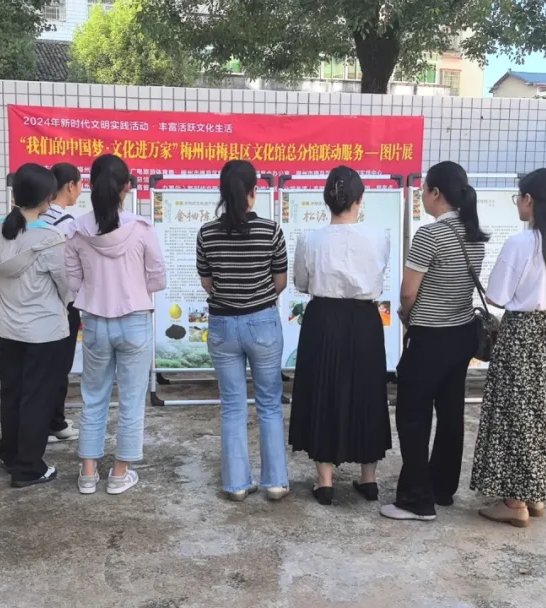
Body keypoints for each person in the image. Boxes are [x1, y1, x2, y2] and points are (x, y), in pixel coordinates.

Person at [470, 168, 546, 527]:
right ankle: (535, 494)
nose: (518, 202)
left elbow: (497, 296)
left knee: (514, 413)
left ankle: (513, 502)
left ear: (529, 199)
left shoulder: (520, 243)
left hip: (521, 332)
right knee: (543, 413)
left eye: (518, 196)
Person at [380, 161, 488, 522]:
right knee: (451, 413)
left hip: (429, 337)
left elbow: (408, 292)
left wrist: (405, 315)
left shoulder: (430, 235)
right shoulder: (474, 234)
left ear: (436, 193)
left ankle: (416, 500)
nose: (422, 195)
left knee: (413, 417)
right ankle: (442, 488)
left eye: (425, 189)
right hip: (461, 334)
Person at [289, 166, 392, 506]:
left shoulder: (310, 239)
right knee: (367, 389)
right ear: (360, 200)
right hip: (364, 318)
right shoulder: (379, 237)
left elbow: (301, 283)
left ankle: (325, 481)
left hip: (323, 317)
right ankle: (369, 478)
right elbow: (380, 274)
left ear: (326, 200)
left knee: (323, 389)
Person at [65, 154, 166, 496]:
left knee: (93, 396)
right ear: (126, 187)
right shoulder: (142, 229)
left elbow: (72, 280)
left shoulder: (76, 230)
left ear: (91, 186)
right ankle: (120, 473)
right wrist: (133, 286)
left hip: (94, 321)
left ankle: (88, 472)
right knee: (132, 399)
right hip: (135, 319)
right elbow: (158, 278)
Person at [196, 160, 290, 501]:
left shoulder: (206, 233)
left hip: (222, 324)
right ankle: (275, 482)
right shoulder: (271, 230)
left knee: (232, 405)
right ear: (254, 191)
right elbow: (280, 281)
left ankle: (236, 484)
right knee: (269, 403)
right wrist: (257, 296)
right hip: (262, 321)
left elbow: (207, 283)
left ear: (222, 192)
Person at [0, 163, 73, 488]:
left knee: (13, 392)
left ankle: (10, 453)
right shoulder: (50, 238)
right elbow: (66, 285)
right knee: (37, 398)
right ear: (47, 198)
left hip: (9, 329)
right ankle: (29, 468)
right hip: (44, 332)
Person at [40, 162, 84, 444]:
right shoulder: (67, 223)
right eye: (80, 185)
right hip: (63, 301)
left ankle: (48, 420)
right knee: (59, 365)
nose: (80, 190)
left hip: (38, 302)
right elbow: (72, 268)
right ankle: (53, 422)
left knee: (44, 365)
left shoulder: (36, 217)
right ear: (70, 186)